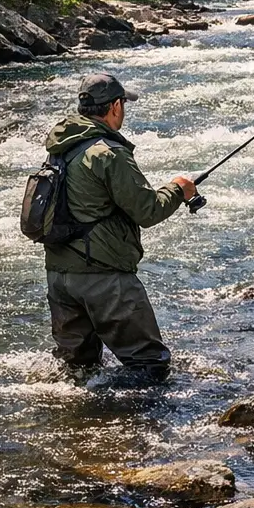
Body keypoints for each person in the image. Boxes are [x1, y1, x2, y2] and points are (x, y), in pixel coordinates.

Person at [42, 73, 197, 380]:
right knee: (150, 368)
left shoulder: (61, 148)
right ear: (114, 106)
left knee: (76, 372)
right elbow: (147, 210)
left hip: (60, 276)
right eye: (123, 103)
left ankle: (82, 422)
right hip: (104, 279)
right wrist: (179, 189)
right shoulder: (108, 153)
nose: (124, 109)